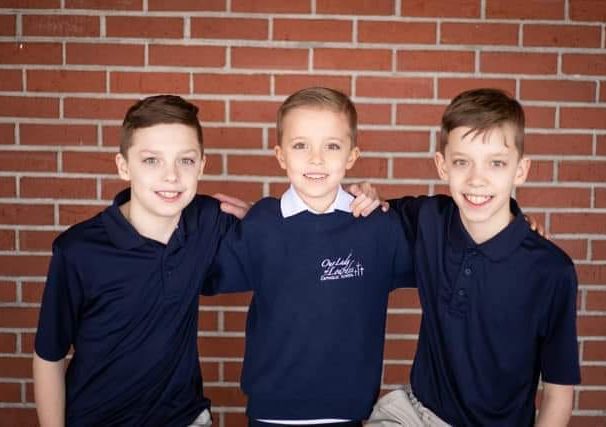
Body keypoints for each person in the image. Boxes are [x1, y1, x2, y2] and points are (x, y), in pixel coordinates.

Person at [364, 88, 580, 426]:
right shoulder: (429, 219)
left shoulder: (551, 270)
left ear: (520, 171)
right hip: (416, 414)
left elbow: (558, 392)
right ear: (442, 165)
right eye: (462, 162)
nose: (477, 179)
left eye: (496, 163)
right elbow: (358, 218)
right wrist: (361, 196)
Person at [206, 87, 415, 426]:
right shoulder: (261, 224)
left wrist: (513, 227)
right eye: (300, 145)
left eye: (331, 146)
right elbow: (197, 271)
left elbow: (442, 257)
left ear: (351, 156)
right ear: (280, 155)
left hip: (348, 413)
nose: (316, 159)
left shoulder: (376, 227)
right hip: (272, 414)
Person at [32, 95, 241, 426]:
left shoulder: (208, 220)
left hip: (183, 417)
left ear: (202, 164)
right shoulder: (78, 251)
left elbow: (291, 236)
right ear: (123, 165)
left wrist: (352, 201)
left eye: (185, 161)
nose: (171, 176)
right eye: (151, 160)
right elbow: (49, 356)